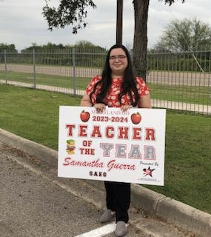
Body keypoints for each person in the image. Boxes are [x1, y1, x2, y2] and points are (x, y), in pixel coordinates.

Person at [80, 44, 151, 237]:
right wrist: (96, 105)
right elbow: (84, 103)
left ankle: (122, 217)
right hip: (102, 139)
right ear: (108, 61)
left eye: (121, 56)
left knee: (121, 178)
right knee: (107, 175)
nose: (117, 60)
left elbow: (147, 111)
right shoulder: (98, 81)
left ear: (127, 60)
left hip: (126, 141)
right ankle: (110, 208)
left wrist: (133, 111)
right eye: (113, 57)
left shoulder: (137, 83)